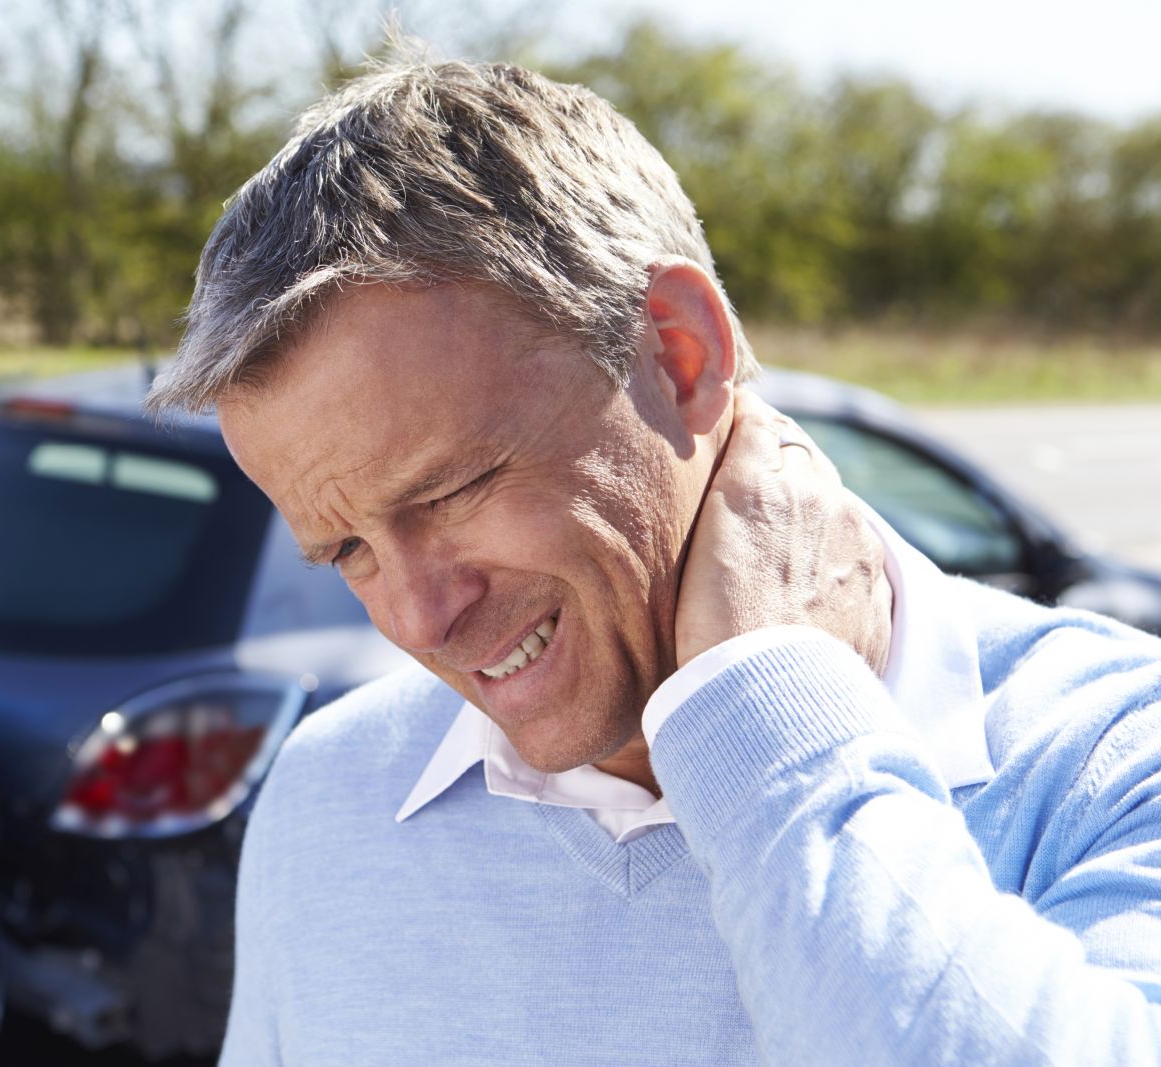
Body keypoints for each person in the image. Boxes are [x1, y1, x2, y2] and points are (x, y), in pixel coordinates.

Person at [145, 59, 1161, 1066]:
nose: (416, 620)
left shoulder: (1116, 764)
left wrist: (774, 719)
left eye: (450, 490)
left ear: (678, 353)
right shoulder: (331, 790)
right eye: (350, 549)